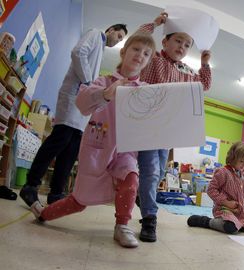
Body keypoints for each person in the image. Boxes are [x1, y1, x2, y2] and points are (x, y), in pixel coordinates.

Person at [29, 33, 156, 248]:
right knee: (79, 201)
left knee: (131, 179)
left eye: (146, 53)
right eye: (136, 49)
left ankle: (122, 225)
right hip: (98, 148)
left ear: (148, 62)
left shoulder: (145, 91)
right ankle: (44, 214)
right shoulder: (103, 81)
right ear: (123, 52)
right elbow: (82, 101)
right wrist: (106, 94)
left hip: (125, 151)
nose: (140, 55)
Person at [20, 24, 128, 206]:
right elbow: (78, 52)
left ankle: (56, 194)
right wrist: (88, 83)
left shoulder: (100, 49)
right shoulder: (95, 34)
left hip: (82, 104)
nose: (118, 40)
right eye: (118, 35)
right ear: (110, 29)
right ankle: (30, 185)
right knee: (60, 139)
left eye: (121, 39)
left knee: (71, 149)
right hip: (73, 95)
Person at [135, 13, 212, 242]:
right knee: (150, 171)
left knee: (158, 170)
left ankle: (143, 197)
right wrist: (155, 23)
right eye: (178, 40)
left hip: (167, 131)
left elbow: (204, 86)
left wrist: (205, 63)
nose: (182, 46)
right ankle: (150, 219)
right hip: (148, 125)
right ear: (164, 42)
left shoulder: (186, 71)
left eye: (187, 44)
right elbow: (139, 40)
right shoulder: (153, 59)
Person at [187, 142, 244, 234]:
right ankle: (206, 221)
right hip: (225, 209)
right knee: (230, 228)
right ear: (232, 158)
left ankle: (237, 224)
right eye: (241, 161)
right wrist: (226, 202)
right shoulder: (223, 172)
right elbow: (211, 190)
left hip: (241, 211)